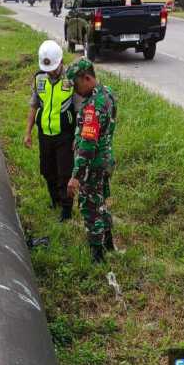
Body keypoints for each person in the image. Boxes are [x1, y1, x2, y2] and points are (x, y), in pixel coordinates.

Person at [65, 58, 116, 263]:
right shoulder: (107, 94)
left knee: (90, 208)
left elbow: (88, 145)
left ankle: (98, 257)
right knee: (101, 203)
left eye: (76, 85)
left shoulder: (92, 107)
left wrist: (76, 176)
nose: (75, 91)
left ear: (87, 78)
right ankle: (109, 244)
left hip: (92, 166)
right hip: (105, 161)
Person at [24, 40, 77, 222]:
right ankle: (55, 200)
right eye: (47, 69)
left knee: (64, 173)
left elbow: (80, 110)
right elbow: (34, 105)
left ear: (61, 61)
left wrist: (77, 137)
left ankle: (66, 209)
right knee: (47, 170)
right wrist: (28, 132)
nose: (50, 72)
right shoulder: (39, 79)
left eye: (53, 68)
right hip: (45, 135)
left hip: (65, 135)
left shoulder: (71, 79)